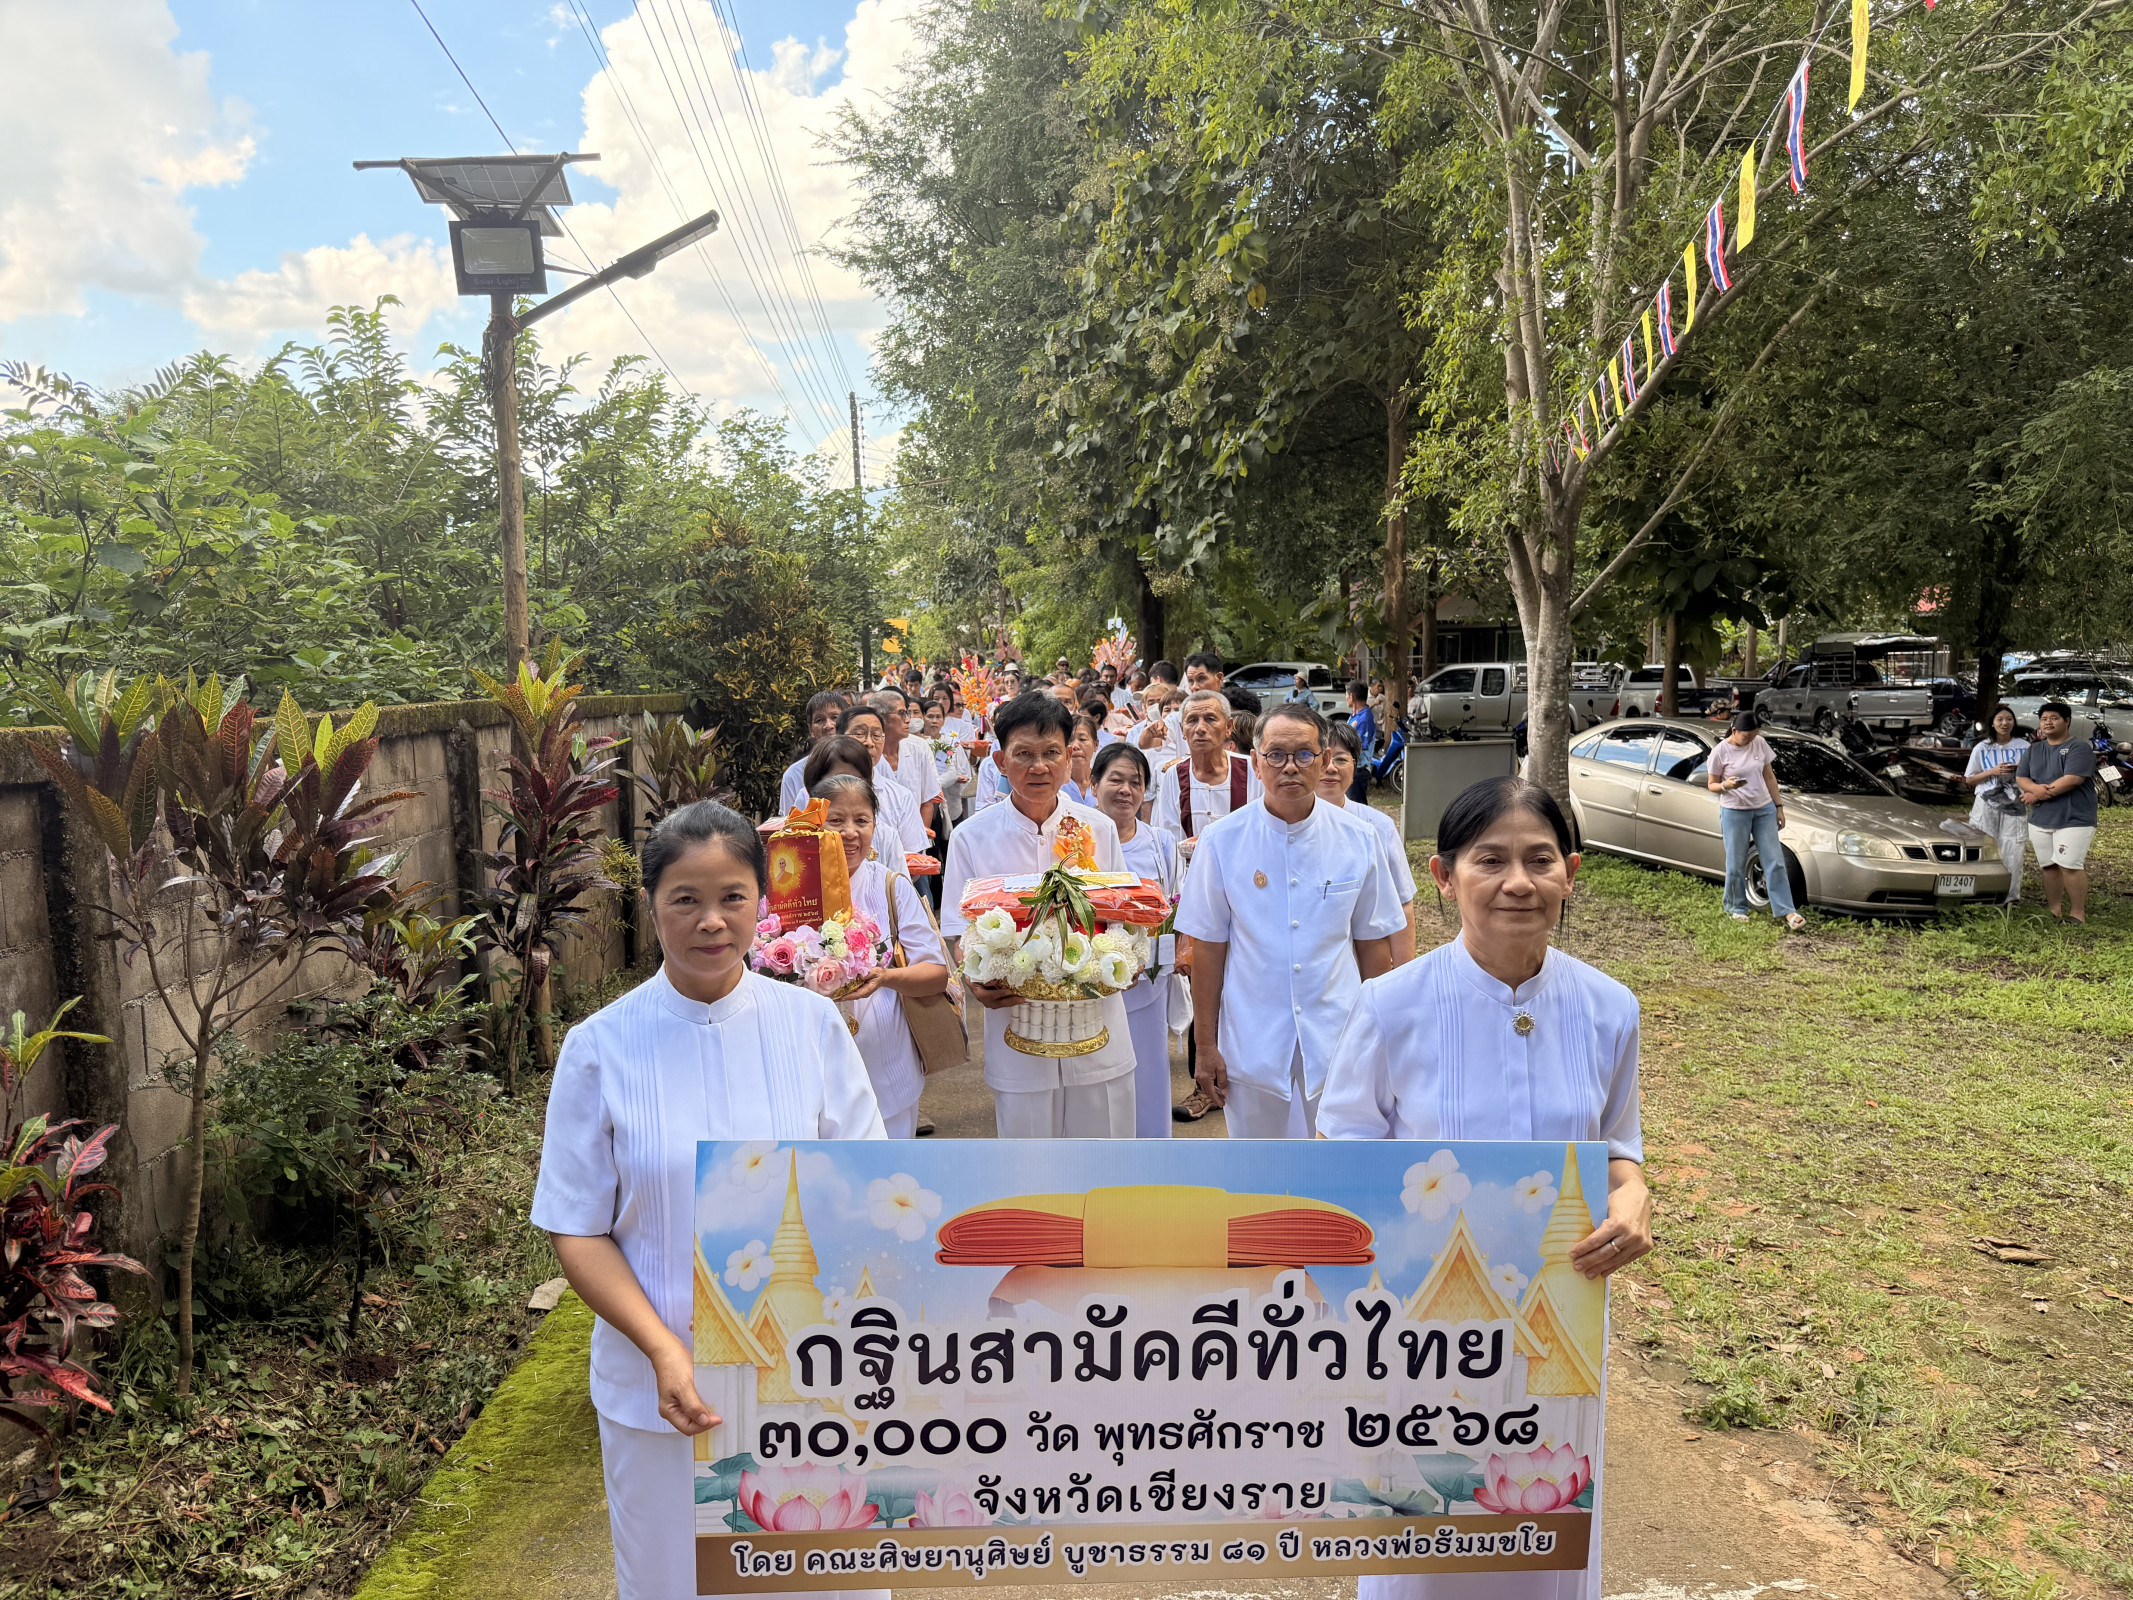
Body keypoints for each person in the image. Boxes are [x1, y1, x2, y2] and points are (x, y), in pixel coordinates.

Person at [531, 801, 887, 1600]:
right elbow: (576, 1226)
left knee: (822, 1581)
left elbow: (869, 1193)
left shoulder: (812, 1027)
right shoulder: (600, 1049)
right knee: (674, 1584)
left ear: (763, 900)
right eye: (684, 899)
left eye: (732, 896)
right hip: (660, 1392)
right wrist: (663, 1349)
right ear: (651, 906)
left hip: (809, 1380)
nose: (711, 921)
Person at [1318, 777, 1651, 1600]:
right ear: (1441, 875)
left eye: (1540, 860)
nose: (1517, 881)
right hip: (1423, 1328)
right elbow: (1344, 1161)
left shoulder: (1608, 1008)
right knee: (1426, 1533)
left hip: (1556, 1325)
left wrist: (1633, 1196)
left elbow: (1617, 1149)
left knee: (1546, 1526)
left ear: (1570, 872)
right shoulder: (1390, 1006)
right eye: (1489, 859)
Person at [1173, 702, 1403, 1139]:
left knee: (1340, 1167)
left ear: (1323, 761)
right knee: (1259, 1175)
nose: (1290, 767)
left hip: (1340, 1033)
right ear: (1256, 762)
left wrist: (1383, 1038)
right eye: (1276, 755)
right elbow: (1208, 948)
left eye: (1304, 755)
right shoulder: (1222, 842)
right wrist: (1205, 1045)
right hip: (1252, 1036)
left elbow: (1373, 945)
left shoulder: (1360, 839)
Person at [939, 692, 1139, 1138]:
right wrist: (975, 982)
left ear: (1070, 757)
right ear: (999, 759)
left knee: (1103, 1156)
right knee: (1030, 1168)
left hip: (1097, 1022)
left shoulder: (1098, 828)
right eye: (1023, 754)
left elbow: (1121, 916)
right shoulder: (972, 838)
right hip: (1018, 1026)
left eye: (1051, 754)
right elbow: (958, 929)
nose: (1039, 767)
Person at [810, 774, 949, 1138]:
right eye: (835, 821)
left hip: (888, 1063)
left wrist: (885, 977)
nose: (850, 832)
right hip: (813, 1062)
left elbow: (936, 973)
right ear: (814, 824)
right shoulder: (794, 892)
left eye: (862, 820)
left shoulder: (891, 886)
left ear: (876, 824)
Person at [1089, 741, 1184, 1138]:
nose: (1126, 790)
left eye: (1136, 782)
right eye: (1116, 779)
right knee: (1094, 1083)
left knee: (1147, 1074)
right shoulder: (1077, 839)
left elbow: (1180, 902)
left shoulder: (1161, 844)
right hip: (1089, 983)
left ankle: (1151, 1157)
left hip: (1148, 983)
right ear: (1094, 784)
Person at [1318, 719, 1418, 963]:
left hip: (1367, 963)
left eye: (1341, 759)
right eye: (1322, 758)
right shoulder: (1288, 826)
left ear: (1355, 767)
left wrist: (1404, 977)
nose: (1330, 768)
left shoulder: (1378, 827)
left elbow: (1402, 903)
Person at [1707, 711, 1805, 931]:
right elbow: (1711, 784)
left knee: (1775, 860)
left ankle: (1787, 910)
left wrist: (1778, 806)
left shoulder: (1759, 743)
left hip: (1763, 809)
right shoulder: (1720, 752)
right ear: (1734, 731)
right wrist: (1726, 786)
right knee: (1736, 862)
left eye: (1754, 735)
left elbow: (1769, 776)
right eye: (1747, 736)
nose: (1751, 740)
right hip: (1735, 812)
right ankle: (1736, 907)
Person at [1153, 688, 1262, 854]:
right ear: (1183, 730)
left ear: (1228, 727)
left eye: (1210, 719)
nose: (1200, 728)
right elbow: (1170, 840)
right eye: (1192, 720)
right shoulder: (1173, 776)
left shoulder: (1253, 770)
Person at [2017, 700, 2097, 923]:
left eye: (2054, 718)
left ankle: (2077, 914)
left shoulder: (2079, 748)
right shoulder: (2034, 749)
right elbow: (2021, 777)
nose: (2048, 723)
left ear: (2067, 721)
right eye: (2044, 719)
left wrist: (2037, 794)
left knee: (2070, 864)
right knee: (2049, 866)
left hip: (2074, 818)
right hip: (2041, 818)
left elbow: (2072, 779)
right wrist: (2033, 789)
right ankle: (2054, 910)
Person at [810, 721, 926, 870]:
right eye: (836, 820)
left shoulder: (886, 837)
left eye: (854, 780)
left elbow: (901, 887)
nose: (850, 833)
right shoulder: (795, 841)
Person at [1960, 705, 2030, 905]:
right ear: (1992, 723)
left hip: (2015, 805)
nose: (2004, 723)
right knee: (1984, 846)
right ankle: (1979, 894)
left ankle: (2010, 897)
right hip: (1986, 804)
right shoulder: (1982, 748)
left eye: (2009, 719)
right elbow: (1969, 779)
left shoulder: (2024, 746)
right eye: (2000, 720)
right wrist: (1992, 772)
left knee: (2013, 848)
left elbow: (2033, 774)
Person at [871, 691, 942, 840]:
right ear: (881, 718)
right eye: (902, 713)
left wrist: (920, 841)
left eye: (908, 713)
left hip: (914, 844)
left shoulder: (917, 752)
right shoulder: (866, 757)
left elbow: (927, 802)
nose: (908, 720)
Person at [776, 690, 850, 814]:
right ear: (811, 729)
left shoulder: (867, 763)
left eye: (835, 717)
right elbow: (788, 825)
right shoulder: (794, 775)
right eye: (819, 720)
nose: (828, 725)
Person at [1345, 679, 1379, 803]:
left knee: (1357, 809)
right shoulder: (1355, 715)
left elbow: (1359, 746)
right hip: (1352, 767)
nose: (1346, 698)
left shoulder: (1364, 718)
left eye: (1346, 695)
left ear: (1352, 696)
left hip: (1359, 769)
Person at [1063, 712, 1101, 804]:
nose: (1075, 746)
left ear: (1095, 745)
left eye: (1082, 739)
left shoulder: (1102, 782)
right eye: (1069, 740)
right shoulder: (1055, 785)